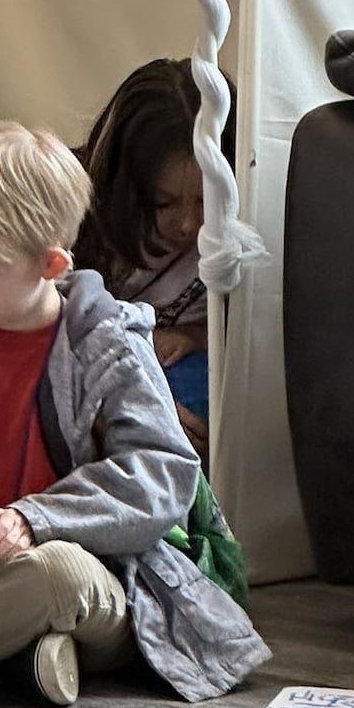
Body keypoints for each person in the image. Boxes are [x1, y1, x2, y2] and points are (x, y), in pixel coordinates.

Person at [0, 120, 268, 707]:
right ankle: (17, 654)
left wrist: (38, 518)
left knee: (55, 576)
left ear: (50, 264)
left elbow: (163, 472)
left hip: (98, 579)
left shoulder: (108, 343)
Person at [74, 58, 238, 462]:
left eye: (207, 201)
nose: (187, 223)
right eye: (163, 203)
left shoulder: (236, 236)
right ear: (124, 184)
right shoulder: (75, 211)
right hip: (80, 378)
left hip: (173, 382)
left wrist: (194, 336)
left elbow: (244, 333)